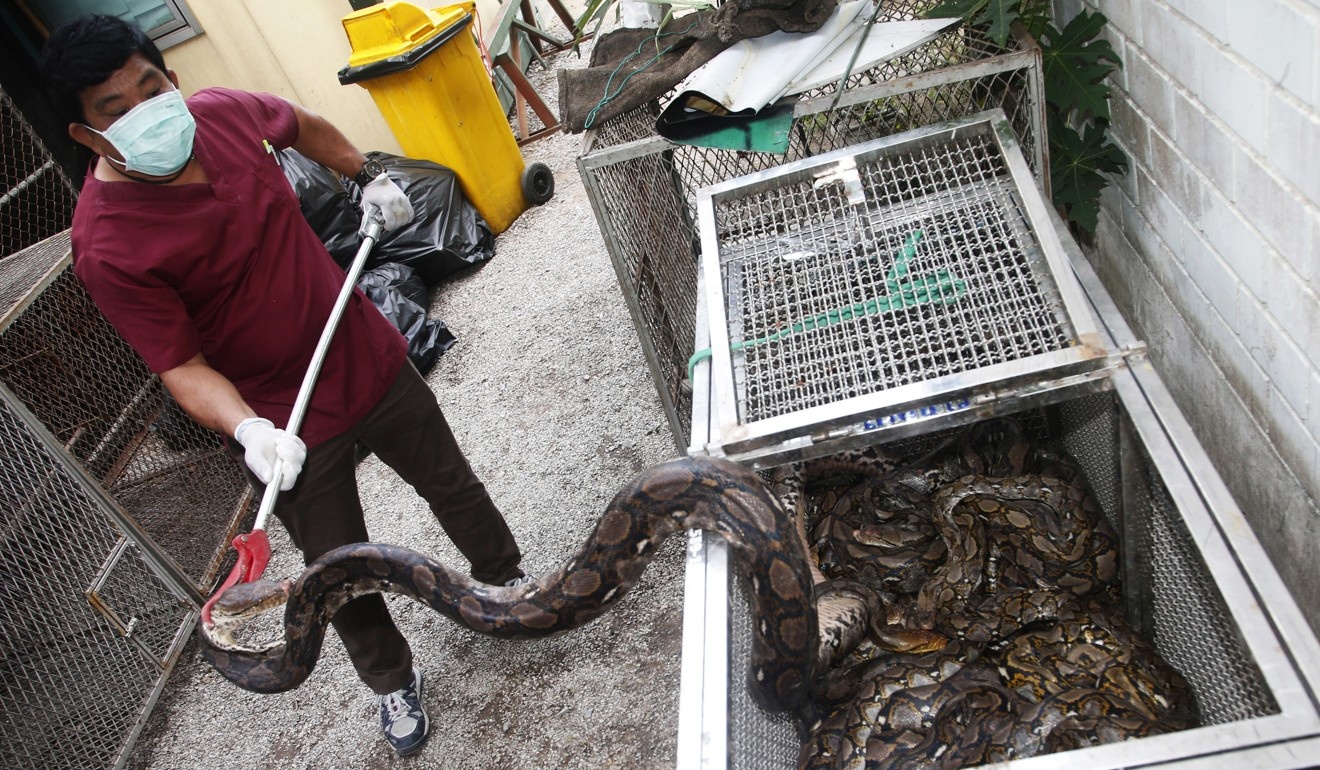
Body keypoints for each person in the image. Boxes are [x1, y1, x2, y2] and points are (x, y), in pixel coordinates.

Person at [41, 14, 531, 758]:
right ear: (87, 135)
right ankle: (392, 681)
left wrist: (368, 177)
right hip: (282, 416)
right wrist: (249, 432)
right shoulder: (106, 245)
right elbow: (181, 368)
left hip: (359, 346)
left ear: (172, 81)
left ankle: (504, 583)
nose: (146, 113)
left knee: (448, 479)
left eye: (152, 88)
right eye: (116, 109)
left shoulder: (223, 115)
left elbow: (300, 124)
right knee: (338, 565)